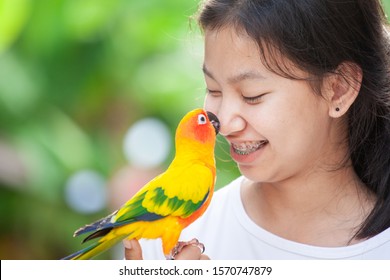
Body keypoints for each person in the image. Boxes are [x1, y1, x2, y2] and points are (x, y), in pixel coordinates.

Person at [124, 0, 390, 259]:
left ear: (338, 90)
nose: (224, 123)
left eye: (252, 95)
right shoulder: (169, 241)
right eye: (213, 89)